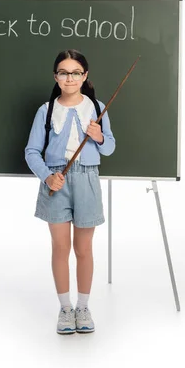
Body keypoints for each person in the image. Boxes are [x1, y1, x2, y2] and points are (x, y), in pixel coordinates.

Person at [24, 49, 116, 334]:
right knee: (61, 248)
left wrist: (98, 136)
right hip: (56, 182)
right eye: (63, 72)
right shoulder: (47, 110)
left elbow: (110, 147)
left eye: (76, 72)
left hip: (87, 181)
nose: (70, 78)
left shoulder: (97, 107)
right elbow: (31, 152)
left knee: (83, 249)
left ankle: (83, 307)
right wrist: (47, 177)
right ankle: (65, 309)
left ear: (85, 75)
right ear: (56, 77)